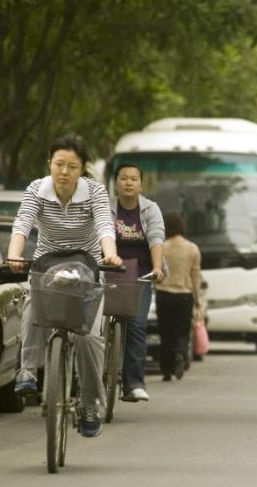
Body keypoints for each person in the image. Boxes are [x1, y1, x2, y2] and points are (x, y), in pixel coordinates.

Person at [8, 133, 122, 437]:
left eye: (72, 166)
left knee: (88, 338)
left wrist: (109, 254)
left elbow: (104, 225)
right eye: (59, 164)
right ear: (50, 163)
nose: (64, 171)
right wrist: (14, 254)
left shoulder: (95, 192)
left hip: (87, 266)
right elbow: (23, 223)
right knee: (33, 299)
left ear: (82, 168)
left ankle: (89, 404)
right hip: (48, 264)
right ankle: (28, 369)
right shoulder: (37, 189)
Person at [110, 163, 165, 402]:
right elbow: (99, 235)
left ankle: (133, 383)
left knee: (136, 326)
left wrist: (156, 268)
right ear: (116, 183)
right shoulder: (106, 208)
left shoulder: (150, 210)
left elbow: (156, 238)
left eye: (134, 179)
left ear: (141, 184)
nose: (129, 182)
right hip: (109, 275)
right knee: (93, 329)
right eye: (124, 178)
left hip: (140, 277)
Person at [156, 214, 201, 381]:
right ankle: (180, 354)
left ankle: (166, 370)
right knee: (182, 330)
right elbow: (196, 276)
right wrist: (197, 300)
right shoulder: (192, 248)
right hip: (184, 295)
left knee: (165, 332)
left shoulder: (161, 247)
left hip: (164, 294)